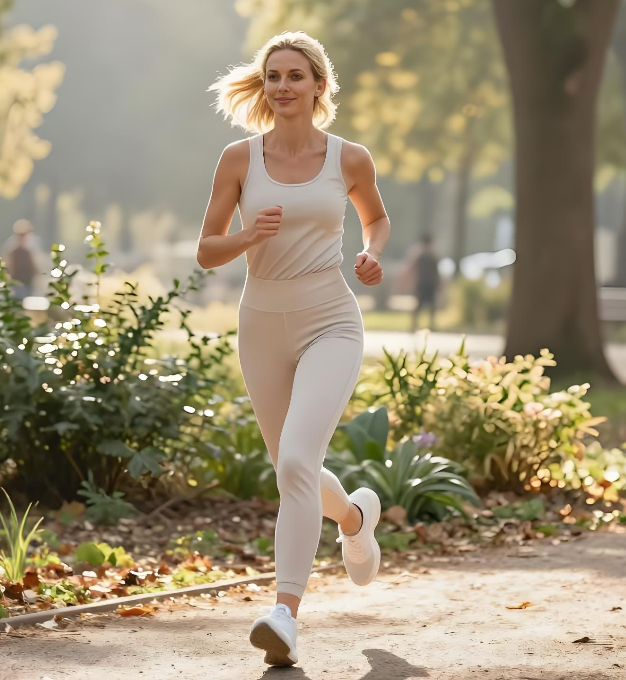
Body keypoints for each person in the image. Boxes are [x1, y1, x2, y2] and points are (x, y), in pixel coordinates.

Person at [200, 31, 391, 667]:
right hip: (260, 324)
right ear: (264, 86)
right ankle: (355, 520)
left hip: (330, 320)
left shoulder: (349, 158)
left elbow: (377, 218)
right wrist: (248, 233)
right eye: (274, 75)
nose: (284, 86)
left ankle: (285, 612)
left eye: (296, 75)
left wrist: (372, 254)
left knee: (294, 464)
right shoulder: (238, 159)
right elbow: (206, 250)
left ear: (318, 86)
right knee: (295, 466)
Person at [405, 233, 441, 332]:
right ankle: (414, 325)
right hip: (423, 283)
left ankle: (430, 325)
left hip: (428, 283)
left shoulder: (431, 254)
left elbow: (436, 270)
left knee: (431, 306)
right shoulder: (420, 254)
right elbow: (412, 269)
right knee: (420, 306)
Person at [0, 219, 40, 301]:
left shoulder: (32, 243)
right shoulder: (11, 245)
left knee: (27, 298)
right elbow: (6, 262)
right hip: (16, 278)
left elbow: (36, 261)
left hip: (28, 278)